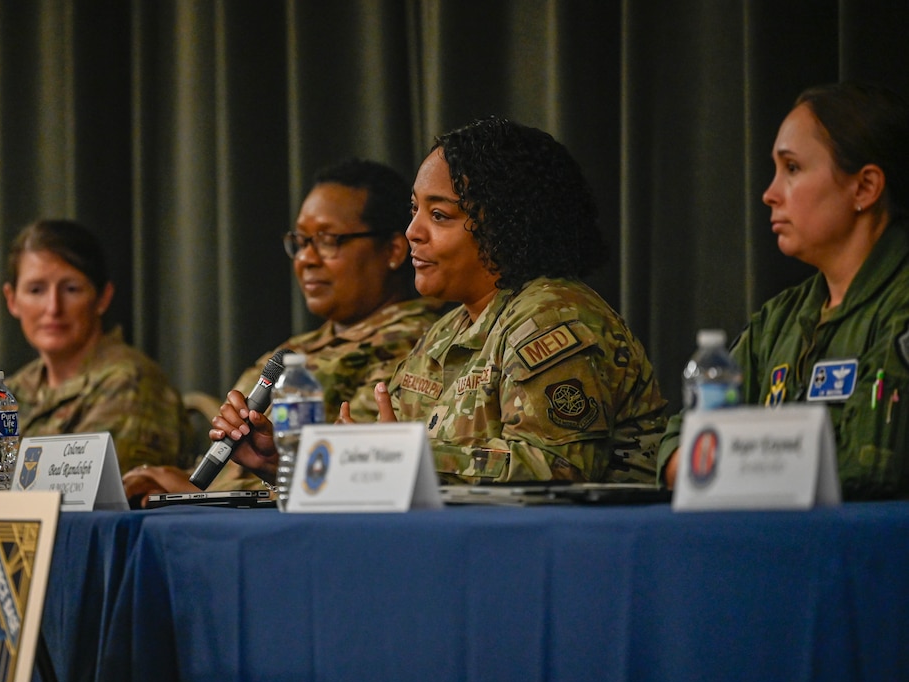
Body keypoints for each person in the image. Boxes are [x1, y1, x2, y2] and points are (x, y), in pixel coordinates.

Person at [209, 117, 668, 487]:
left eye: (439, 215)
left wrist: (399, 456)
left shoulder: (552, 316)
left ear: (505, 225)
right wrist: (282, 465)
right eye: (414, 210)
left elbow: (556, 470)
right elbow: (397, 475)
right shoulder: (446, 332)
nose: (412, 232)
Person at [122, 159, 447, 503]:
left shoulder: (416, 343)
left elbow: (353, 472)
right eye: (300, 241)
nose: (306, 258)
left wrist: (191, 494)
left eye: (326, 240)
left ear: (394, 250)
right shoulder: (294, 350)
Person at [659, 81, 909, 500]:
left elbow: (872, 467)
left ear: (864, 187)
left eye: (792, 168)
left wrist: (724, 468)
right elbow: (677, 441)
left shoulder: (899, 305)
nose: (769, 193)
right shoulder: (780, 319)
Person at [0, 219, 194, 487]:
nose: (53, 307)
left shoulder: (130, 381)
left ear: (102, 298)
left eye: (71, 289)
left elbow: (81, 485)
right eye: (36, 290)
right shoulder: (10, 390)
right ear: (12, 300)